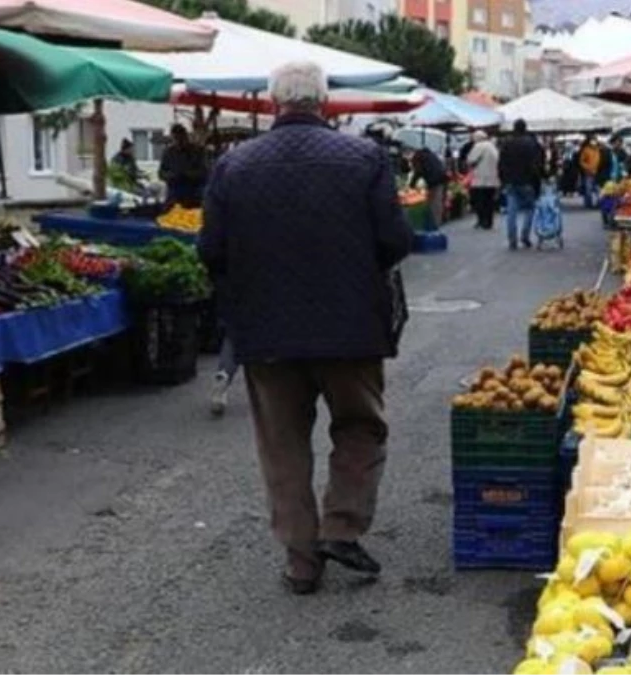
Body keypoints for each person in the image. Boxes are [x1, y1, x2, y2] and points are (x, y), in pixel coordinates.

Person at [197, 61, 412, 595]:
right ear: (325, 101)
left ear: (273, 103)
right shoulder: (365, 158)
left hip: (267, 332)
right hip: (352, 326)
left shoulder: (234, 166)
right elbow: (395, 240)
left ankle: (301, 562)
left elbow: (210, 250)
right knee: (361, 426)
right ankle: (342, 525)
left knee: (283, 445)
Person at [498, 118, 544, 250]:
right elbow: (537, 165)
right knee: (530, 209)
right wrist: (537, 181)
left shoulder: (507, 144)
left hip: (511, 181)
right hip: (528, 181)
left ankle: (512, 239)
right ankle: (525, 236)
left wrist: (503, 180)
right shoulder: (532, 144)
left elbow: (501, 164)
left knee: (511, 211)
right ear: (525, 128)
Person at [158, 123, 207, 207]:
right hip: (174, 192)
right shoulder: (168, 153)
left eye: (181, 139)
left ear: (186, 137)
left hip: (193, 192)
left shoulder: (197, 151)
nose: (178, 142)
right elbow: (161, 173)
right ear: (172, 138)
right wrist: (172, 175)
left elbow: (204, 172)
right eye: (175, 139)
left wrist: (187, 174)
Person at [408, 144, 448, 230]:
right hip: (441, 178)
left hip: (434, 180)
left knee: (434, 202)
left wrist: (412, 184)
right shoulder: (431, 155)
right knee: (437, 201)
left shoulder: (418, 157)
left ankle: (435, 223)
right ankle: (437, 221)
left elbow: (418, 172)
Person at [466, 130, 500, 230]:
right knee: (489, 201)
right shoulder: (492, 146)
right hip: (492, 179)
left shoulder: (479, 146)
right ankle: (489, 222)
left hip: (480, 179)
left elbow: (471, 160)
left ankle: (481, 221)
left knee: (480, 200)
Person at [578, 136, 603, 208]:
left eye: (595, 140)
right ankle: (588, 203)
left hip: (597, 172)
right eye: (592, 140)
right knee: (588, 188)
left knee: (598, 189)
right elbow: (581, 161)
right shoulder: (586, 150)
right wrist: (587, 168)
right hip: (588, 173)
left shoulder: (598, 150)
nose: (594, 142)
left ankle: (599, 202)